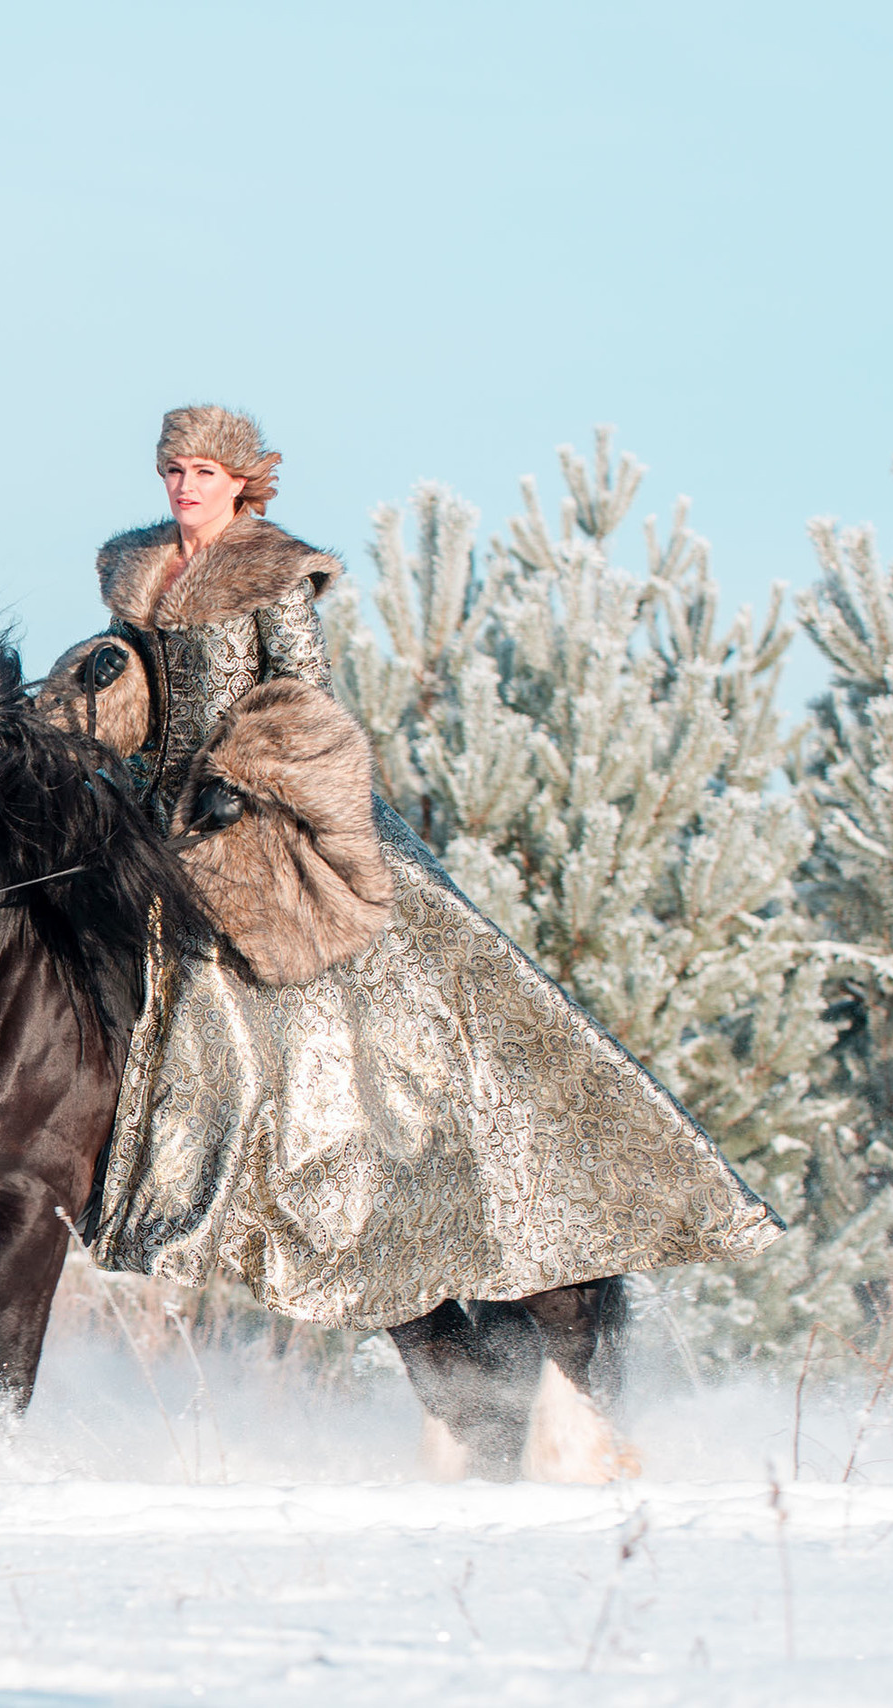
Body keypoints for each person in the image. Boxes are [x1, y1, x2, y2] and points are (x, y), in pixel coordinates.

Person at [38, 404, 779, 1332]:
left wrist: (246, 776)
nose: (186, 486)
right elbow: (132, 677)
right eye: (175, 470)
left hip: (267, 808)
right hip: (163, 807)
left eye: (205, 472)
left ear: (241, 482)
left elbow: (306, 696)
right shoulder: (139, 572)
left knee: (362, 972)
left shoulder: (273, 572)